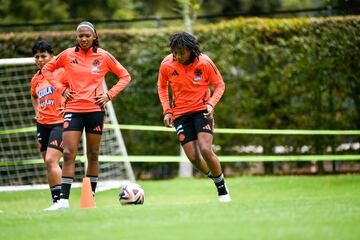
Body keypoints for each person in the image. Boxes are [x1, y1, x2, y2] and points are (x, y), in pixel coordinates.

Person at [42, 21, 131, 210]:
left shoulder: (104, 56)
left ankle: (89, 198)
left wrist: (108, 95)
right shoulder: (67, 55)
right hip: (73, 110)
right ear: (76, 37)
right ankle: (63, 201)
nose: (83, 39)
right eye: (80, 36)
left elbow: (125, 76)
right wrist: (60, 89)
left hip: (95, 111)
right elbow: (47, 69)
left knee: (93, 154)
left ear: (94, 36)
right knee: (68, 153)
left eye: (87, 35)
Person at [157, 32, 231, 203]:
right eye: (174, 52)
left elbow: (220, 84)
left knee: (205, 149)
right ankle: (216, 178)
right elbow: (161, 86)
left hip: (201, 110)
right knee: (193, 157)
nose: (177, 56)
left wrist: (211, 104)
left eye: (181, 53)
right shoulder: (167, 64)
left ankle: (222, 189)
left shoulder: (204, 62)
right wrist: (167, 110)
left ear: (191, 50)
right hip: (180, 114)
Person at [30, 40, 68, 205]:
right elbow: (34, 96)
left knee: (51, 160)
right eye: (36, 56)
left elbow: (75, 88)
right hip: (42, 124)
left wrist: (67, 107)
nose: (39, 59)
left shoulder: (61, 72)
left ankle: (62, 202)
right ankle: (56, 202)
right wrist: (37, 111)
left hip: (60, 123)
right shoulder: (36, 79)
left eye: (43, 56)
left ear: (52, 56)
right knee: (49, 163)